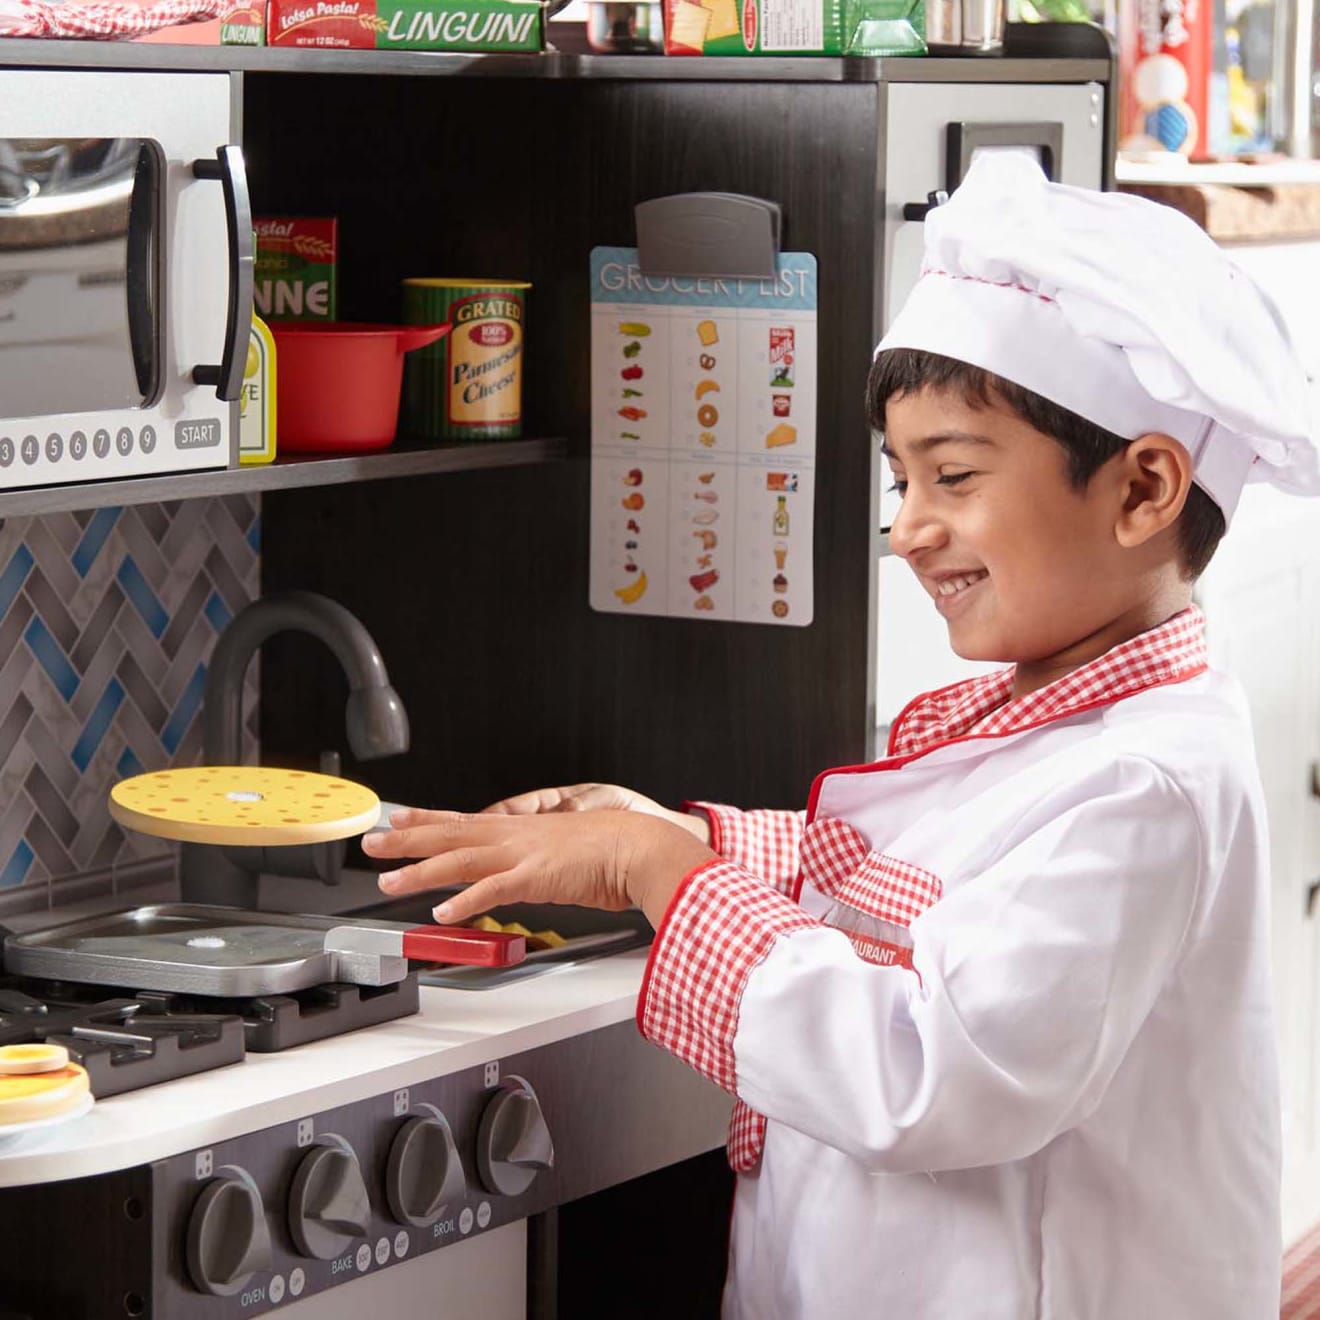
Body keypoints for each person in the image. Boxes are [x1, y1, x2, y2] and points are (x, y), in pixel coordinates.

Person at [361, 154, 1320, 1319]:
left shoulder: (1147, 782)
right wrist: (662, 834)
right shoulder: (1054, 722)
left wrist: (656, 871)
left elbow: (927, 1073)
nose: (908, 530)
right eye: (898, 480)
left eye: (951, 477)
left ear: (1143, 488)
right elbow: (910, 895)